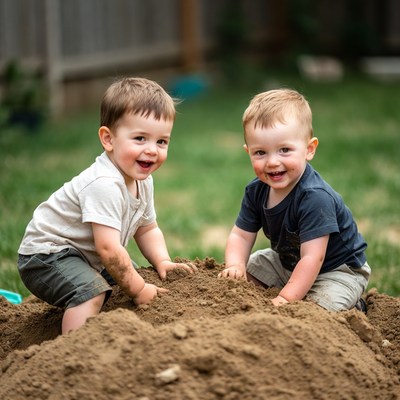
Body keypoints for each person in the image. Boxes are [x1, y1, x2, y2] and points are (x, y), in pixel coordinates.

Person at [18, 77, 195, 334]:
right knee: (92, 292)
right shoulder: (105, 183)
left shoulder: (143, 181)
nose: (152, 150)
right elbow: (109, 249)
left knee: (131, 277)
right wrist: (140, 290)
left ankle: (112, 331)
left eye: (161, 141)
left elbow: (147, 229)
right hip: (46, 256)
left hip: (84, 256)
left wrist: (163, 260)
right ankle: (74, 349)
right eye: (140, 138)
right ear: (108, 139)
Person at [219, 88, 370, 312]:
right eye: (260, 152)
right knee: (247, 270)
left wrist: (285, 300)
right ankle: (290, 288)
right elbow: (241, 235)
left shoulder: (314, 197)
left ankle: (354, 307)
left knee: (316, 309)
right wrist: (235, 265)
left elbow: (312, 258)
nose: (272, 162)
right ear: (248, 151)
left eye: (285, 150)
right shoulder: (256, 191)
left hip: (336, 270)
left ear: (309, 149)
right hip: (287, 261)